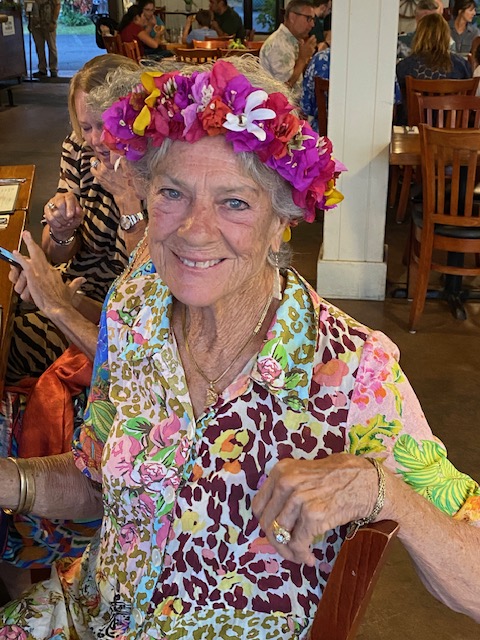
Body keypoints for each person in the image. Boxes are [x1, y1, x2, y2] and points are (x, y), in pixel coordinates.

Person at [0, 56, 479, 638]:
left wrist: (384, 491)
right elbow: (101, 484)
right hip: (92, 614)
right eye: (173, 193)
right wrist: (9, 479)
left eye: (234, 202)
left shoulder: (354, 371)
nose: (194, 230)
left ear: (282, 220)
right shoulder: (134, 307)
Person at [6, 54, 144, 384]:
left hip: (111, 322)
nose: (96, 140)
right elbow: (55, 254)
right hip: (68, 293)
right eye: (86, 127)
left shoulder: (154, 169)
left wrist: (64, 300)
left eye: (106, 125)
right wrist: (61, 230)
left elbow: (146, 292)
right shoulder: (79, 149)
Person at [396, 12, 472, 124]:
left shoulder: (405, 66)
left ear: (419, 36)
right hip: (452, 129)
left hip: (415, 128)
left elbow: (398, 102)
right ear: (446, 36)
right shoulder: (462, 66)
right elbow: (468, 101)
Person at [260, 0, 317, 98]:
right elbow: (285, 88)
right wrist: (302, 59)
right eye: (308, 18)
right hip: (281, 106)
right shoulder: (278, 45)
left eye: (313, 19)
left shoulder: (294, 41)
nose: (312, 24)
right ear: (292, 17)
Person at [29, 0, 61, 79]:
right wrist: (30, 22)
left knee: (51, 47)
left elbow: (57, 5)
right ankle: (42, 69)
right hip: (36, 23)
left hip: (48, 22)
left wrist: (53, 21)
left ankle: (53, 69)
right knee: (39, 47)